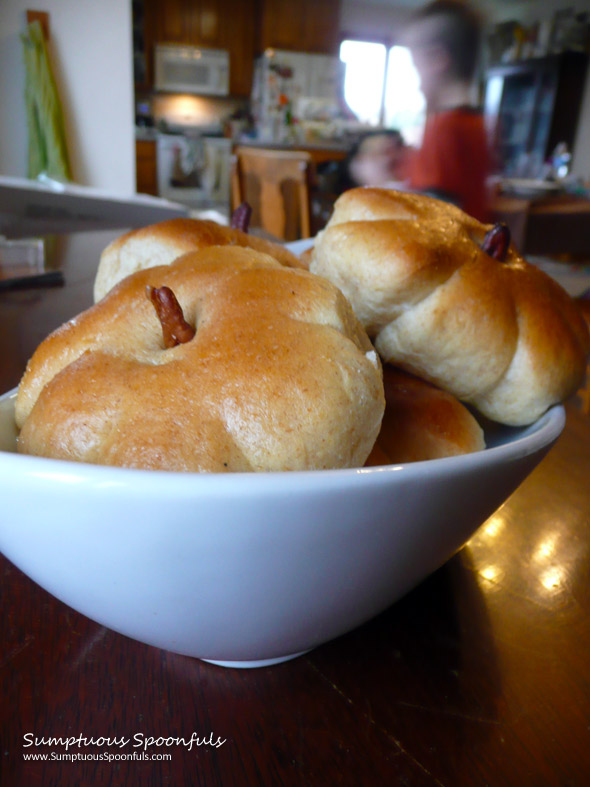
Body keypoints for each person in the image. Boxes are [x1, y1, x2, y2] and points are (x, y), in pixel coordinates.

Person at [403, 0, 492, 221]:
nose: (418, 83)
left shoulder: (443, 128)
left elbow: (428, 217)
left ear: (436, 60)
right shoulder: (476, 123)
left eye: (416, 66)